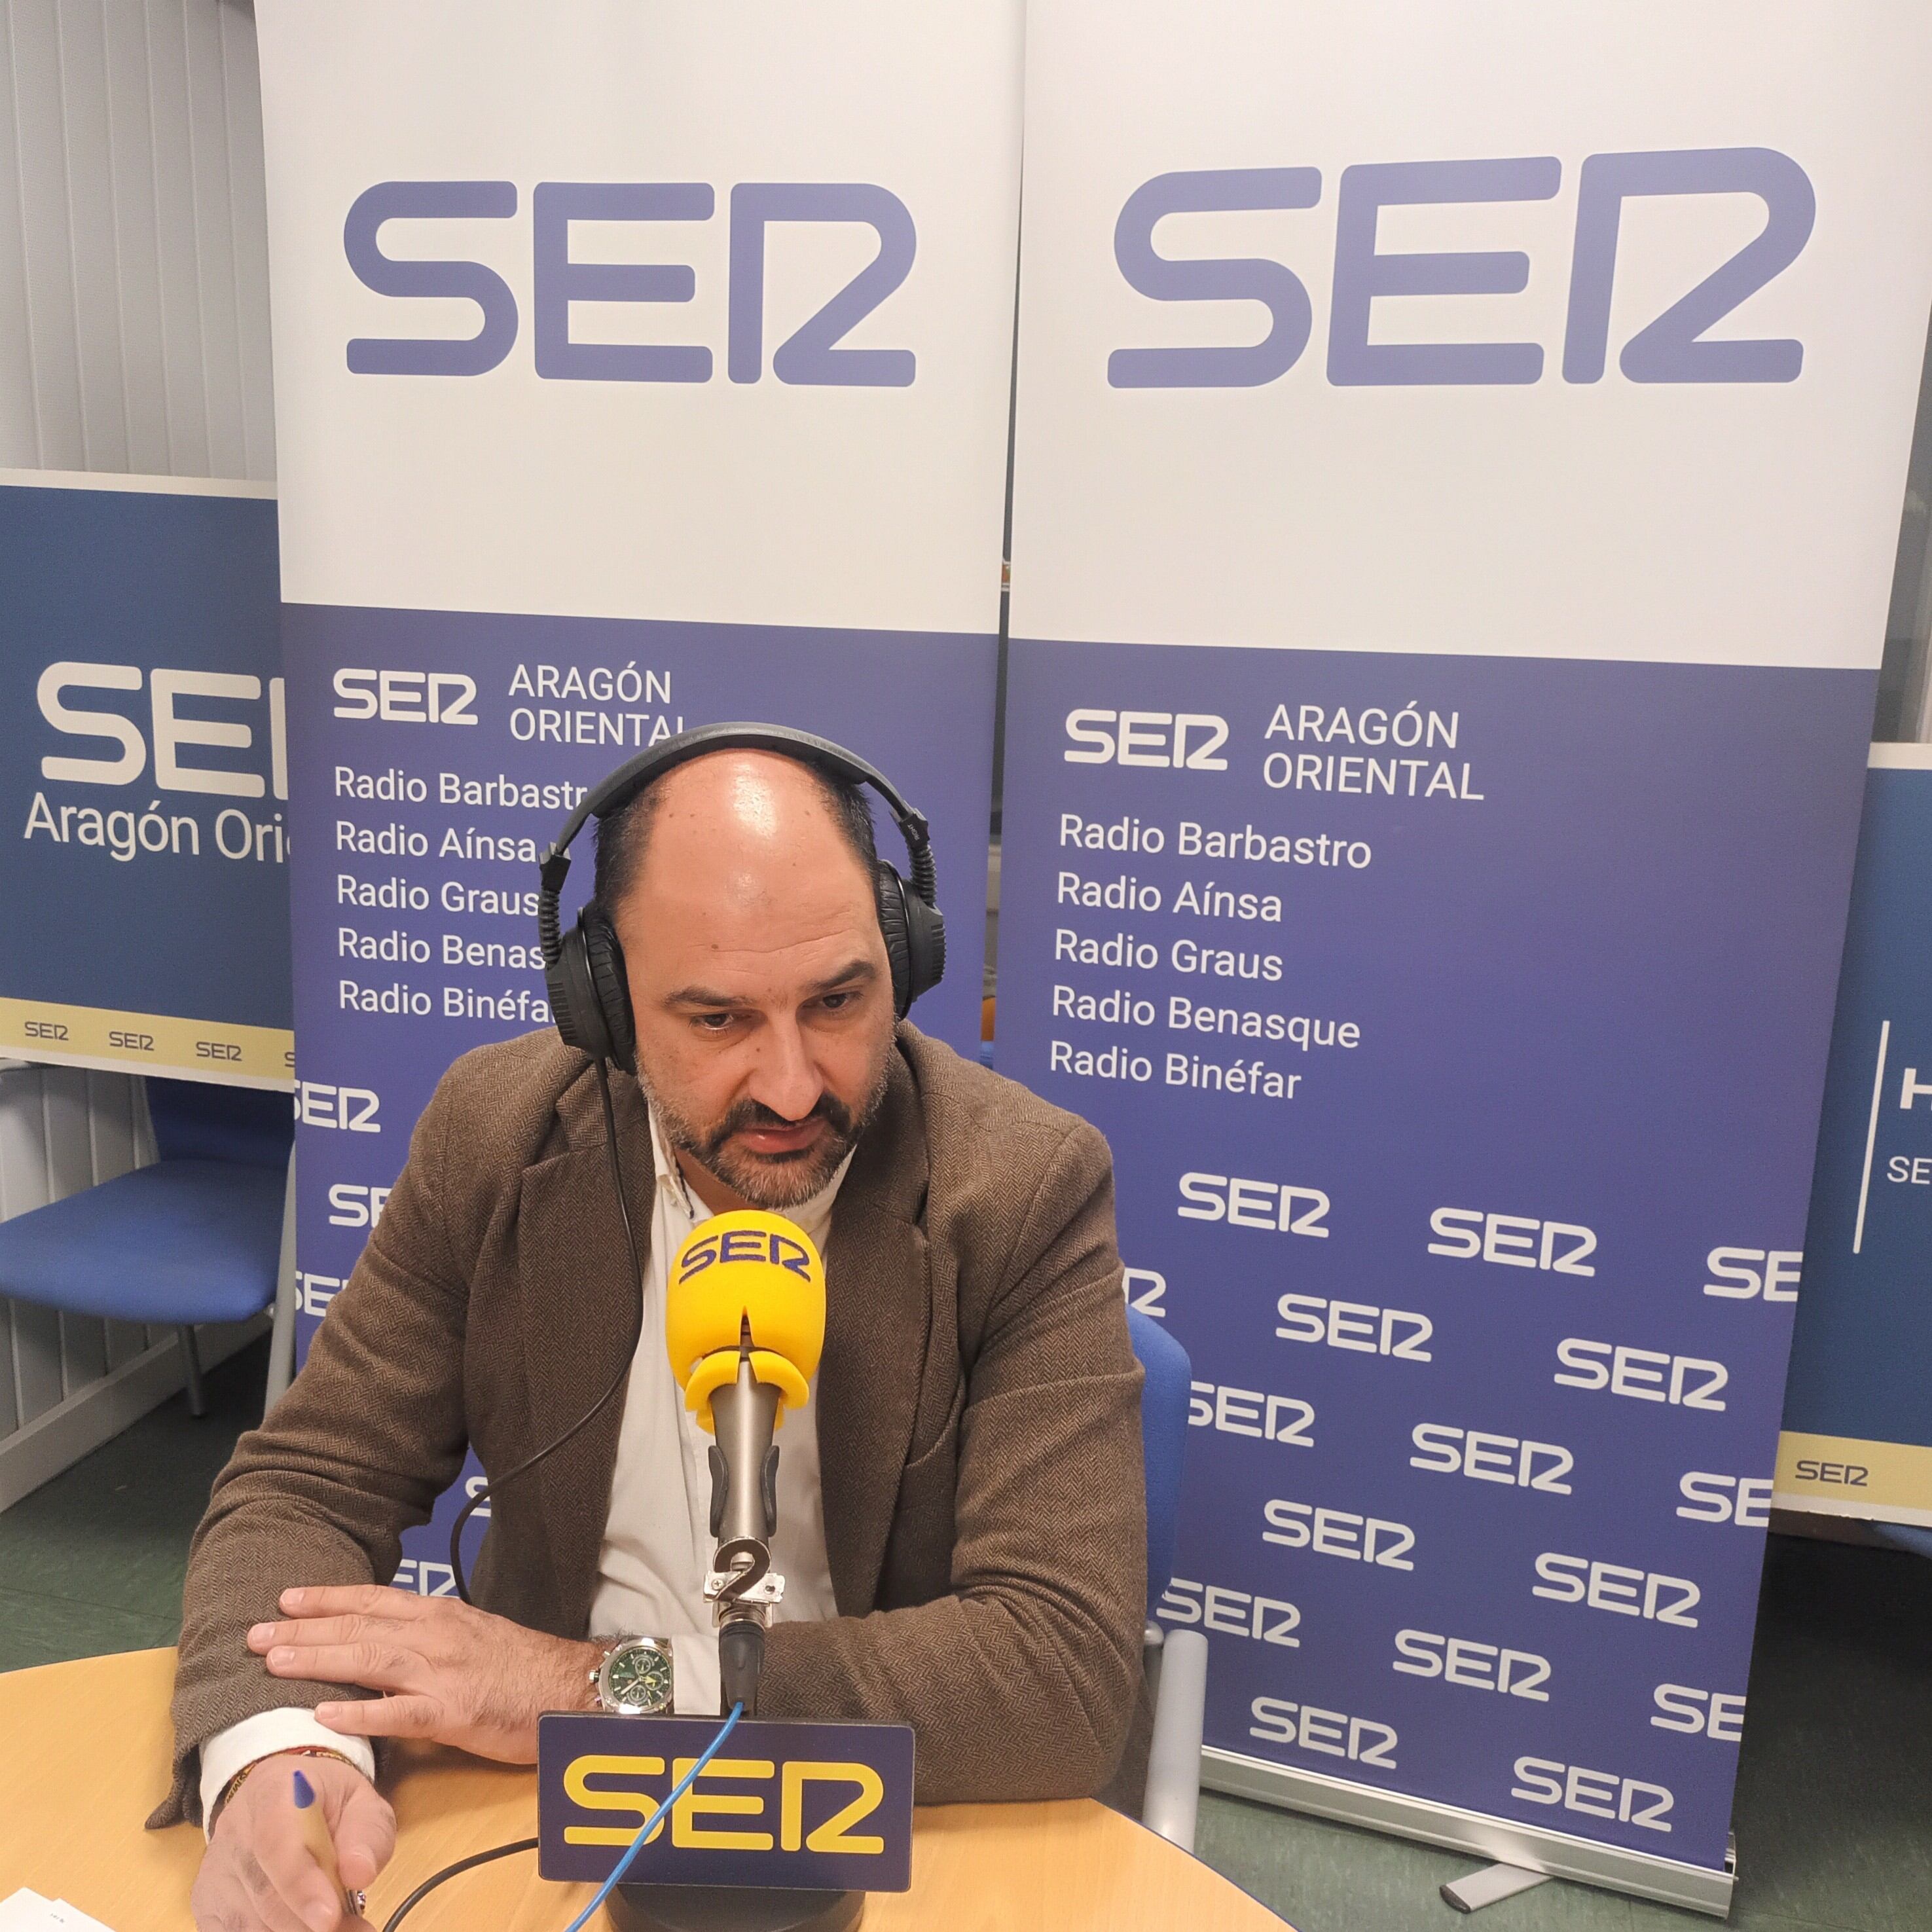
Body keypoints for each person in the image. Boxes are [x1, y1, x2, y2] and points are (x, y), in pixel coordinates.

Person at [157, 735, 1148, 1932]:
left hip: (872, 1834)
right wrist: (274, 1764)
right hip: (539, 1828)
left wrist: (590, 1689)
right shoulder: (498, 1133)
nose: (792, 1085)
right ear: (605, 1006)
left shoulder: (1023, 1186)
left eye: (839, 1001)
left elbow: (1057, 1667)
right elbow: (308, 1484)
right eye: (717, 1018)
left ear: (904, 956)